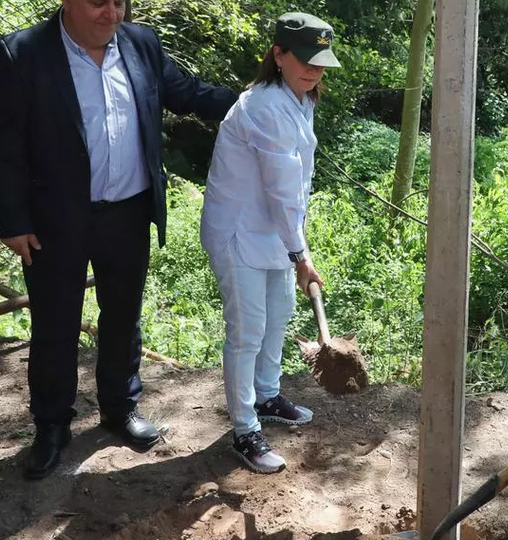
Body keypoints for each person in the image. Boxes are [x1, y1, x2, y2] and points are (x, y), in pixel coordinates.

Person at [0, 0, 237, 480]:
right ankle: (52, 427)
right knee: (56, 324)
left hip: (128, 211)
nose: (112, 13)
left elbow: (188, 93)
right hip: (55, 219)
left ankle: (120, 409)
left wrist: (259, 96)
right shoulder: (24, 54)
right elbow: (4, 146)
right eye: (99, 2)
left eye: (119, 1)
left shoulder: (141, 44)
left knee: (123, 314)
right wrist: (13, 221)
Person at [200, 12, 340, 474]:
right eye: (305, 60)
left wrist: (295, 246)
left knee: (278, 316)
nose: (314, 70)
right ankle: (244, 429)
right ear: (278, 55)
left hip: (275, 232)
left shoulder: (299, 100)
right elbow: (281, 189)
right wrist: (302, 255)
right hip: (240, 232)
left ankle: (265, 395)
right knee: (247, 332)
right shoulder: (262, 107)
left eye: (321, 63)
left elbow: (295, 187)